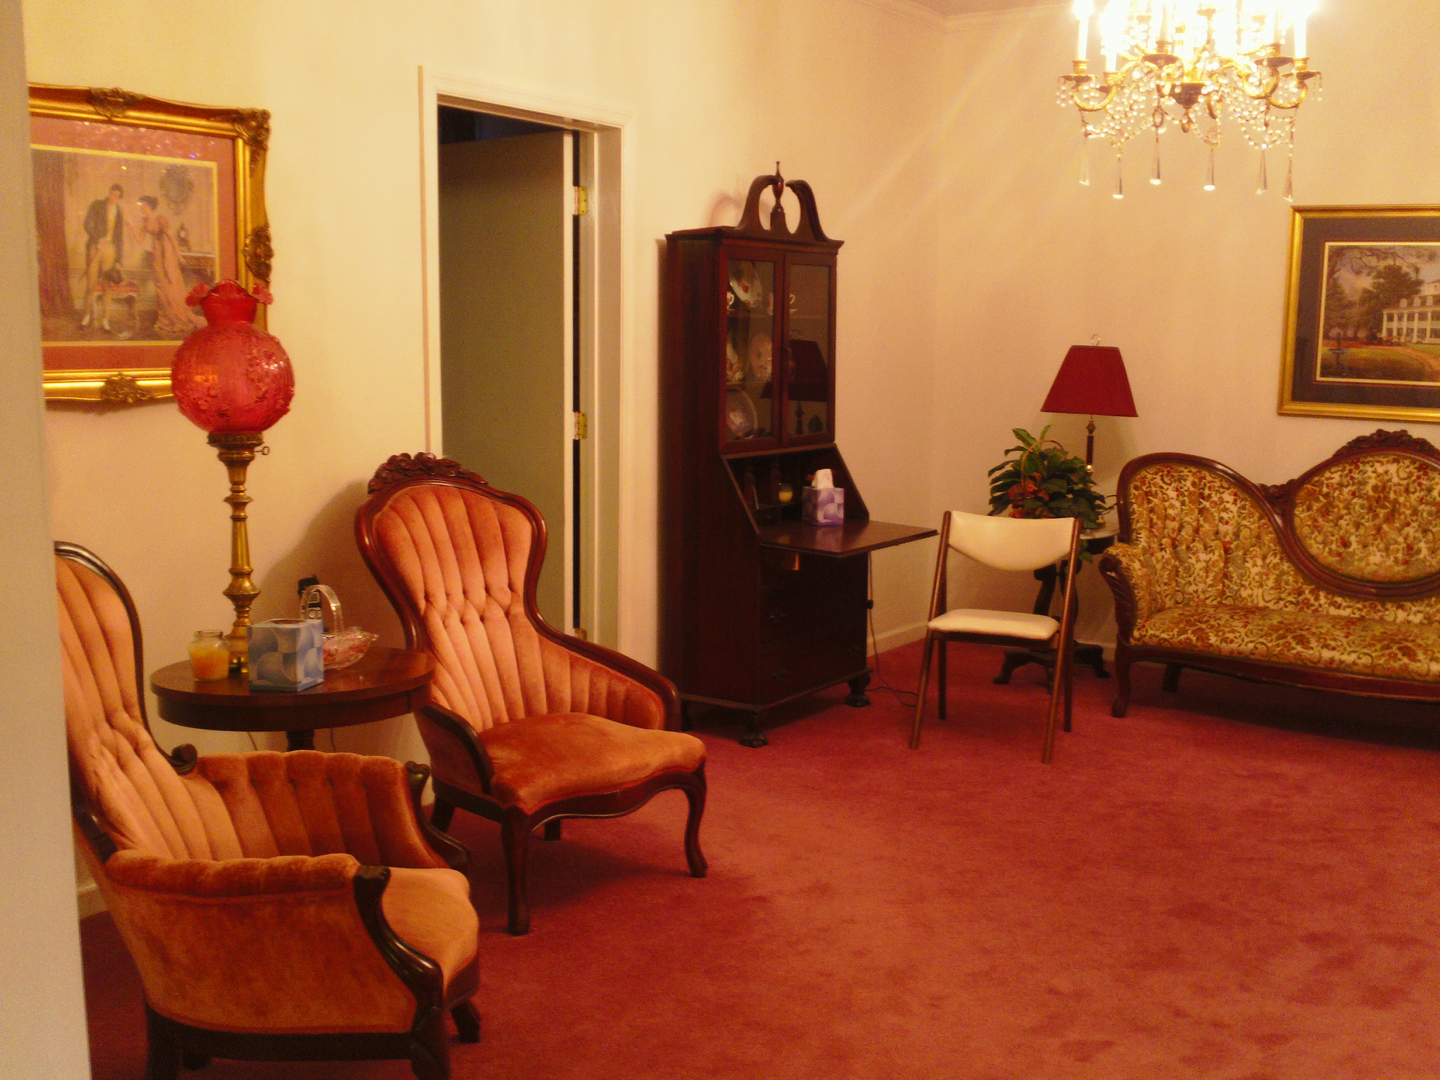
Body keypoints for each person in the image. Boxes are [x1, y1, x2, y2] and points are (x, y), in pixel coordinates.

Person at [133, 195, 204, 338]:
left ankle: (177, 317)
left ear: (150, 206)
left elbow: (171, 237)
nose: (142, 207)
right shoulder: (145, 221)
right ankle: (166, 319)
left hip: (167, 254)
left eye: (144, 205)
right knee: (161, 288)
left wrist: (178, 255)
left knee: (170, 285)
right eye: (141, 205)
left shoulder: (160, 219)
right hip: (157, 254)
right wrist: (130, 225)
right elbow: (140, 240)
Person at [81, 183, 125, 330]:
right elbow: (87, 224)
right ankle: (86, 316)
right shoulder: (97, 205)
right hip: (95, 247)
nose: (114, 198)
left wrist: (118, 260)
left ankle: (106, 320)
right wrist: (97, 238)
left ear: (120, 198)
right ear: (109, 193)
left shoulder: (119, 213)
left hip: (110, 251)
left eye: (117, 196)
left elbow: (119, 238)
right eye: (112, 194)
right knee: (90, 284)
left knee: (107, 286)